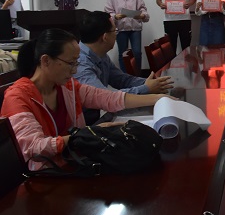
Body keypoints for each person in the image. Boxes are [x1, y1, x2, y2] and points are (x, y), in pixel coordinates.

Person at [0, 28, 174, 171]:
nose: (75, 71)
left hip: (77, 164)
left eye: (76, 63)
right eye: (71, 63)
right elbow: (33, 147)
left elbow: (108, 98)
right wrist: (87, 134)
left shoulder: (66, 87)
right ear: (46, 61)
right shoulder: (18, 97)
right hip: (44, 177)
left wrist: (158, 99)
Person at [74, 11, 173, 124]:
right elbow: (105, 97)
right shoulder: (80, 64)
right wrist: (146, 88)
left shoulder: (100, 54)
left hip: (99, 116)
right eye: (115, 31)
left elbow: (122, 80)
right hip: (87, 125)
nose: (116, 35)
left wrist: (153, 83)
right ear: (105, 37)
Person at [104, 0, 149, 73]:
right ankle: (125, 77)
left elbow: (143, 9)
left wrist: (142, 15)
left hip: (135, 28)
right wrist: (115, 16)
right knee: (123, 54)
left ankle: (137, 75)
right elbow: (108, 12)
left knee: (137, 52)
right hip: (120, 28)